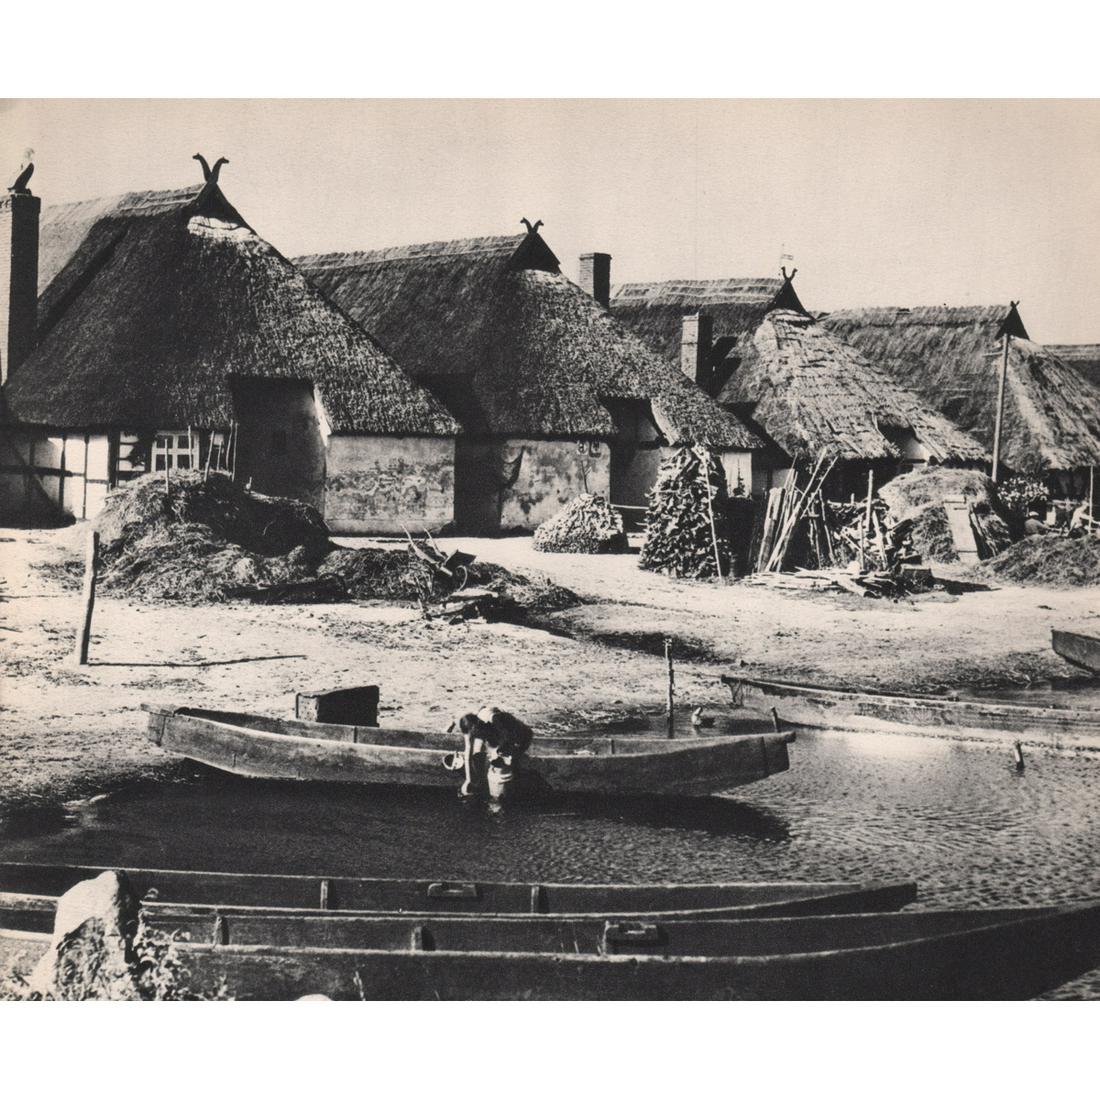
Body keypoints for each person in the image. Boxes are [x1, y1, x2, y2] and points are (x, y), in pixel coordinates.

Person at [448, 707, 534, 801]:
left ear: (477, 727)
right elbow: (468, 753)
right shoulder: (467, 725)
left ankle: (516, 785)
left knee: (506, 764)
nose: (474, 738)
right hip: (489, 724)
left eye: (475, 735)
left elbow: (511, 738)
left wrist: (499, 753)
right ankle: (482, 782)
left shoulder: (495, 720)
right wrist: (468, 780)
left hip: (520, 735)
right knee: (478, 752)